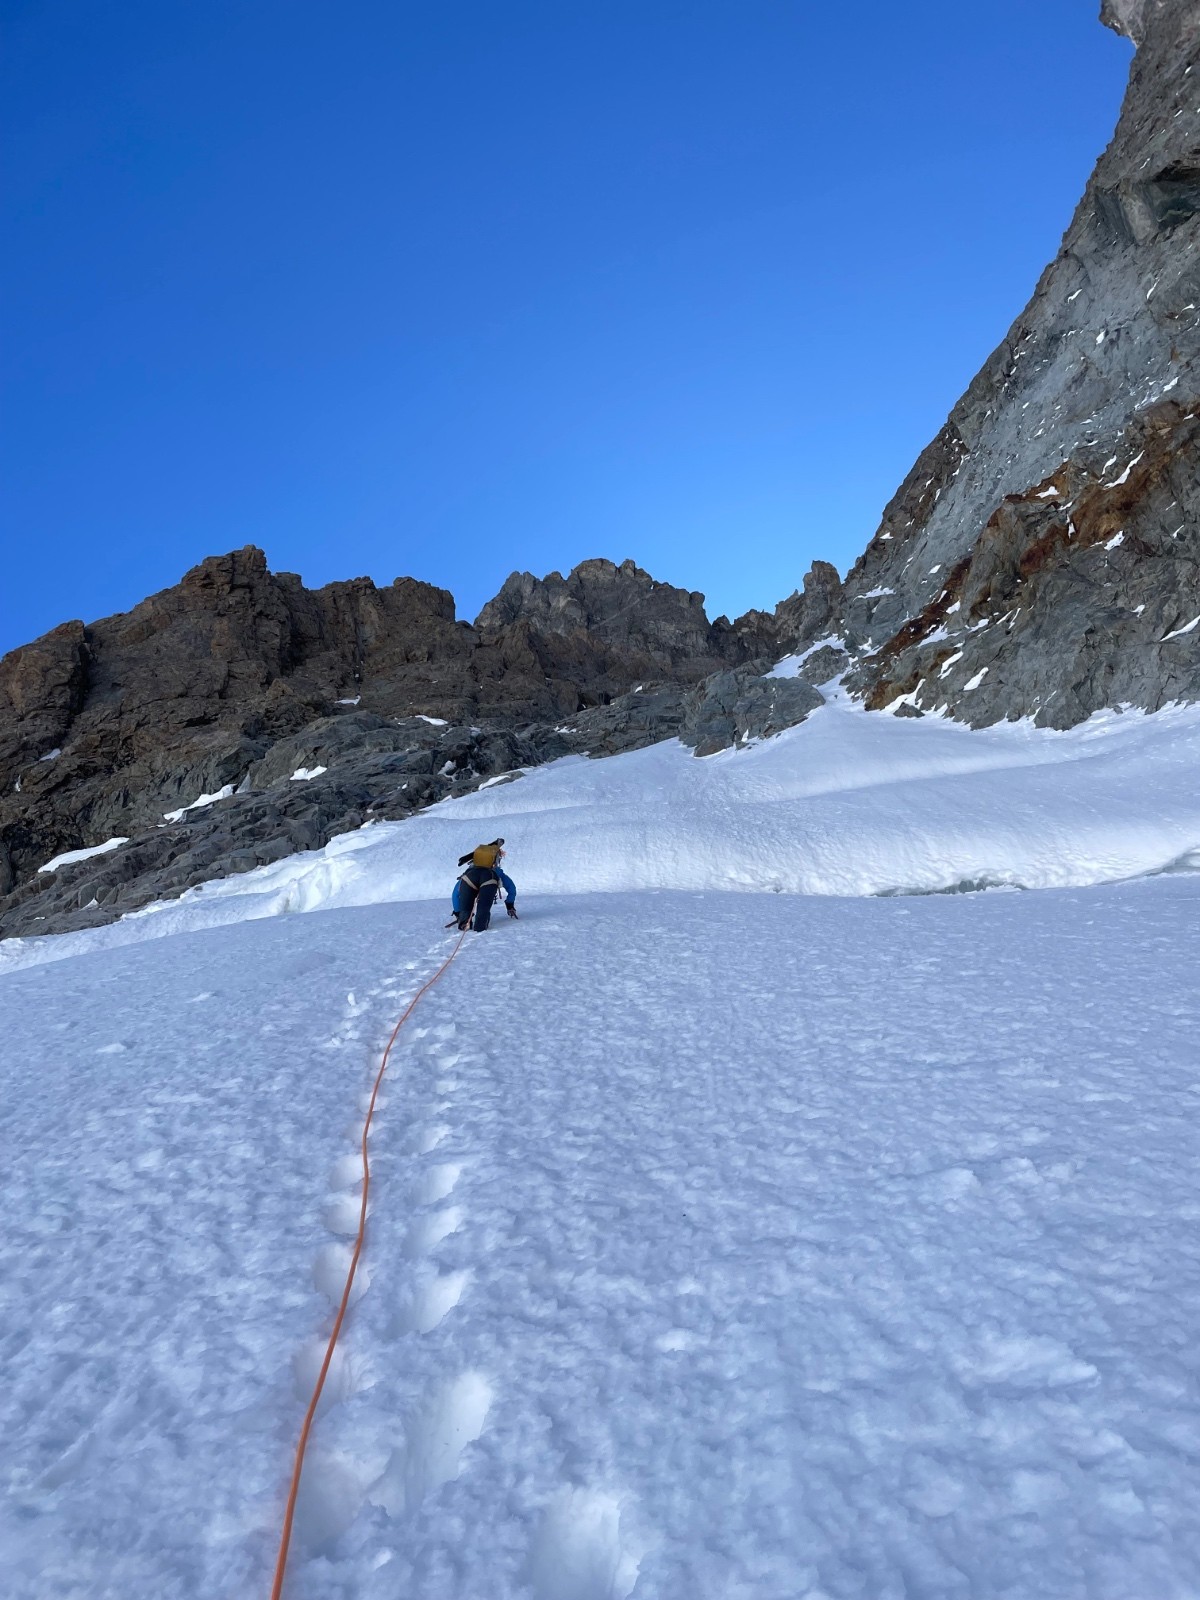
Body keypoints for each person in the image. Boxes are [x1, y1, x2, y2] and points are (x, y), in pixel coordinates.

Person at [451, 838, 518, 932]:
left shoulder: (469, 872)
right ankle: (480, 926)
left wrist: (458, 912)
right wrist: (510, 904)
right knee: (484, 906)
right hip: (489, 880)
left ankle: (464, 923)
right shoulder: (497, 872)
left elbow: (455, 894)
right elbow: (512, 888)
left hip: (469, 879)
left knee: (466, 905)